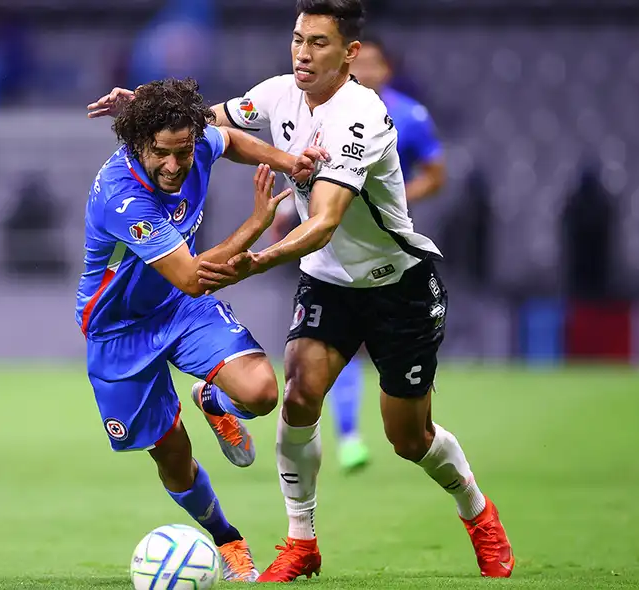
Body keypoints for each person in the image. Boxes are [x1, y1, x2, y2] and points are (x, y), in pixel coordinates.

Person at [89, 0, 514, 581]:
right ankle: (301, 542)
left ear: (350, 53)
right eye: (297, 39)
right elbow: (204, 120)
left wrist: (256, 257)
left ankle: (477, 511)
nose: (302, 53)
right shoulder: (276, 94)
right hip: (327, 282)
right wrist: (143, 108)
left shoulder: (360, 116)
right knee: (295, 399)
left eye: (317, 42)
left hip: (397, 284)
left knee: (408, 438)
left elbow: (324, 221)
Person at [78, 77, 325, 582]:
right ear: (137, 144)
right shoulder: (123, 198)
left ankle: (215, 402)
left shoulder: (197, 139)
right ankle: (227, 538)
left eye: (183, 152)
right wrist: (256, 223)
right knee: (173, 460)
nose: (174, 166)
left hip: (176, 309)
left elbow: (230, 139)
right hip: (119, 329)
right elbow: (192, 276)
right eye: (161, 154)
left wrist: (288, 162)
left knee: (260, 393)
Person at [269, 34, 448, 473]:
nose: (366, 71)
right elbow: (316, 172)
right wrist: (287, 205)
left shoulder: (407, 115)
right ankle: (348, 433)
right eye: (360, 63)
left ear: (387, 70)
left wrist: (396, 198)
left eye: (374, 64)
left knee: (407, 429)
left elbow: (436, 173)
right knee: (327, 351)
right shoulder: (323, 111)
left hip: (387, 250)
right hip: (330, 250)